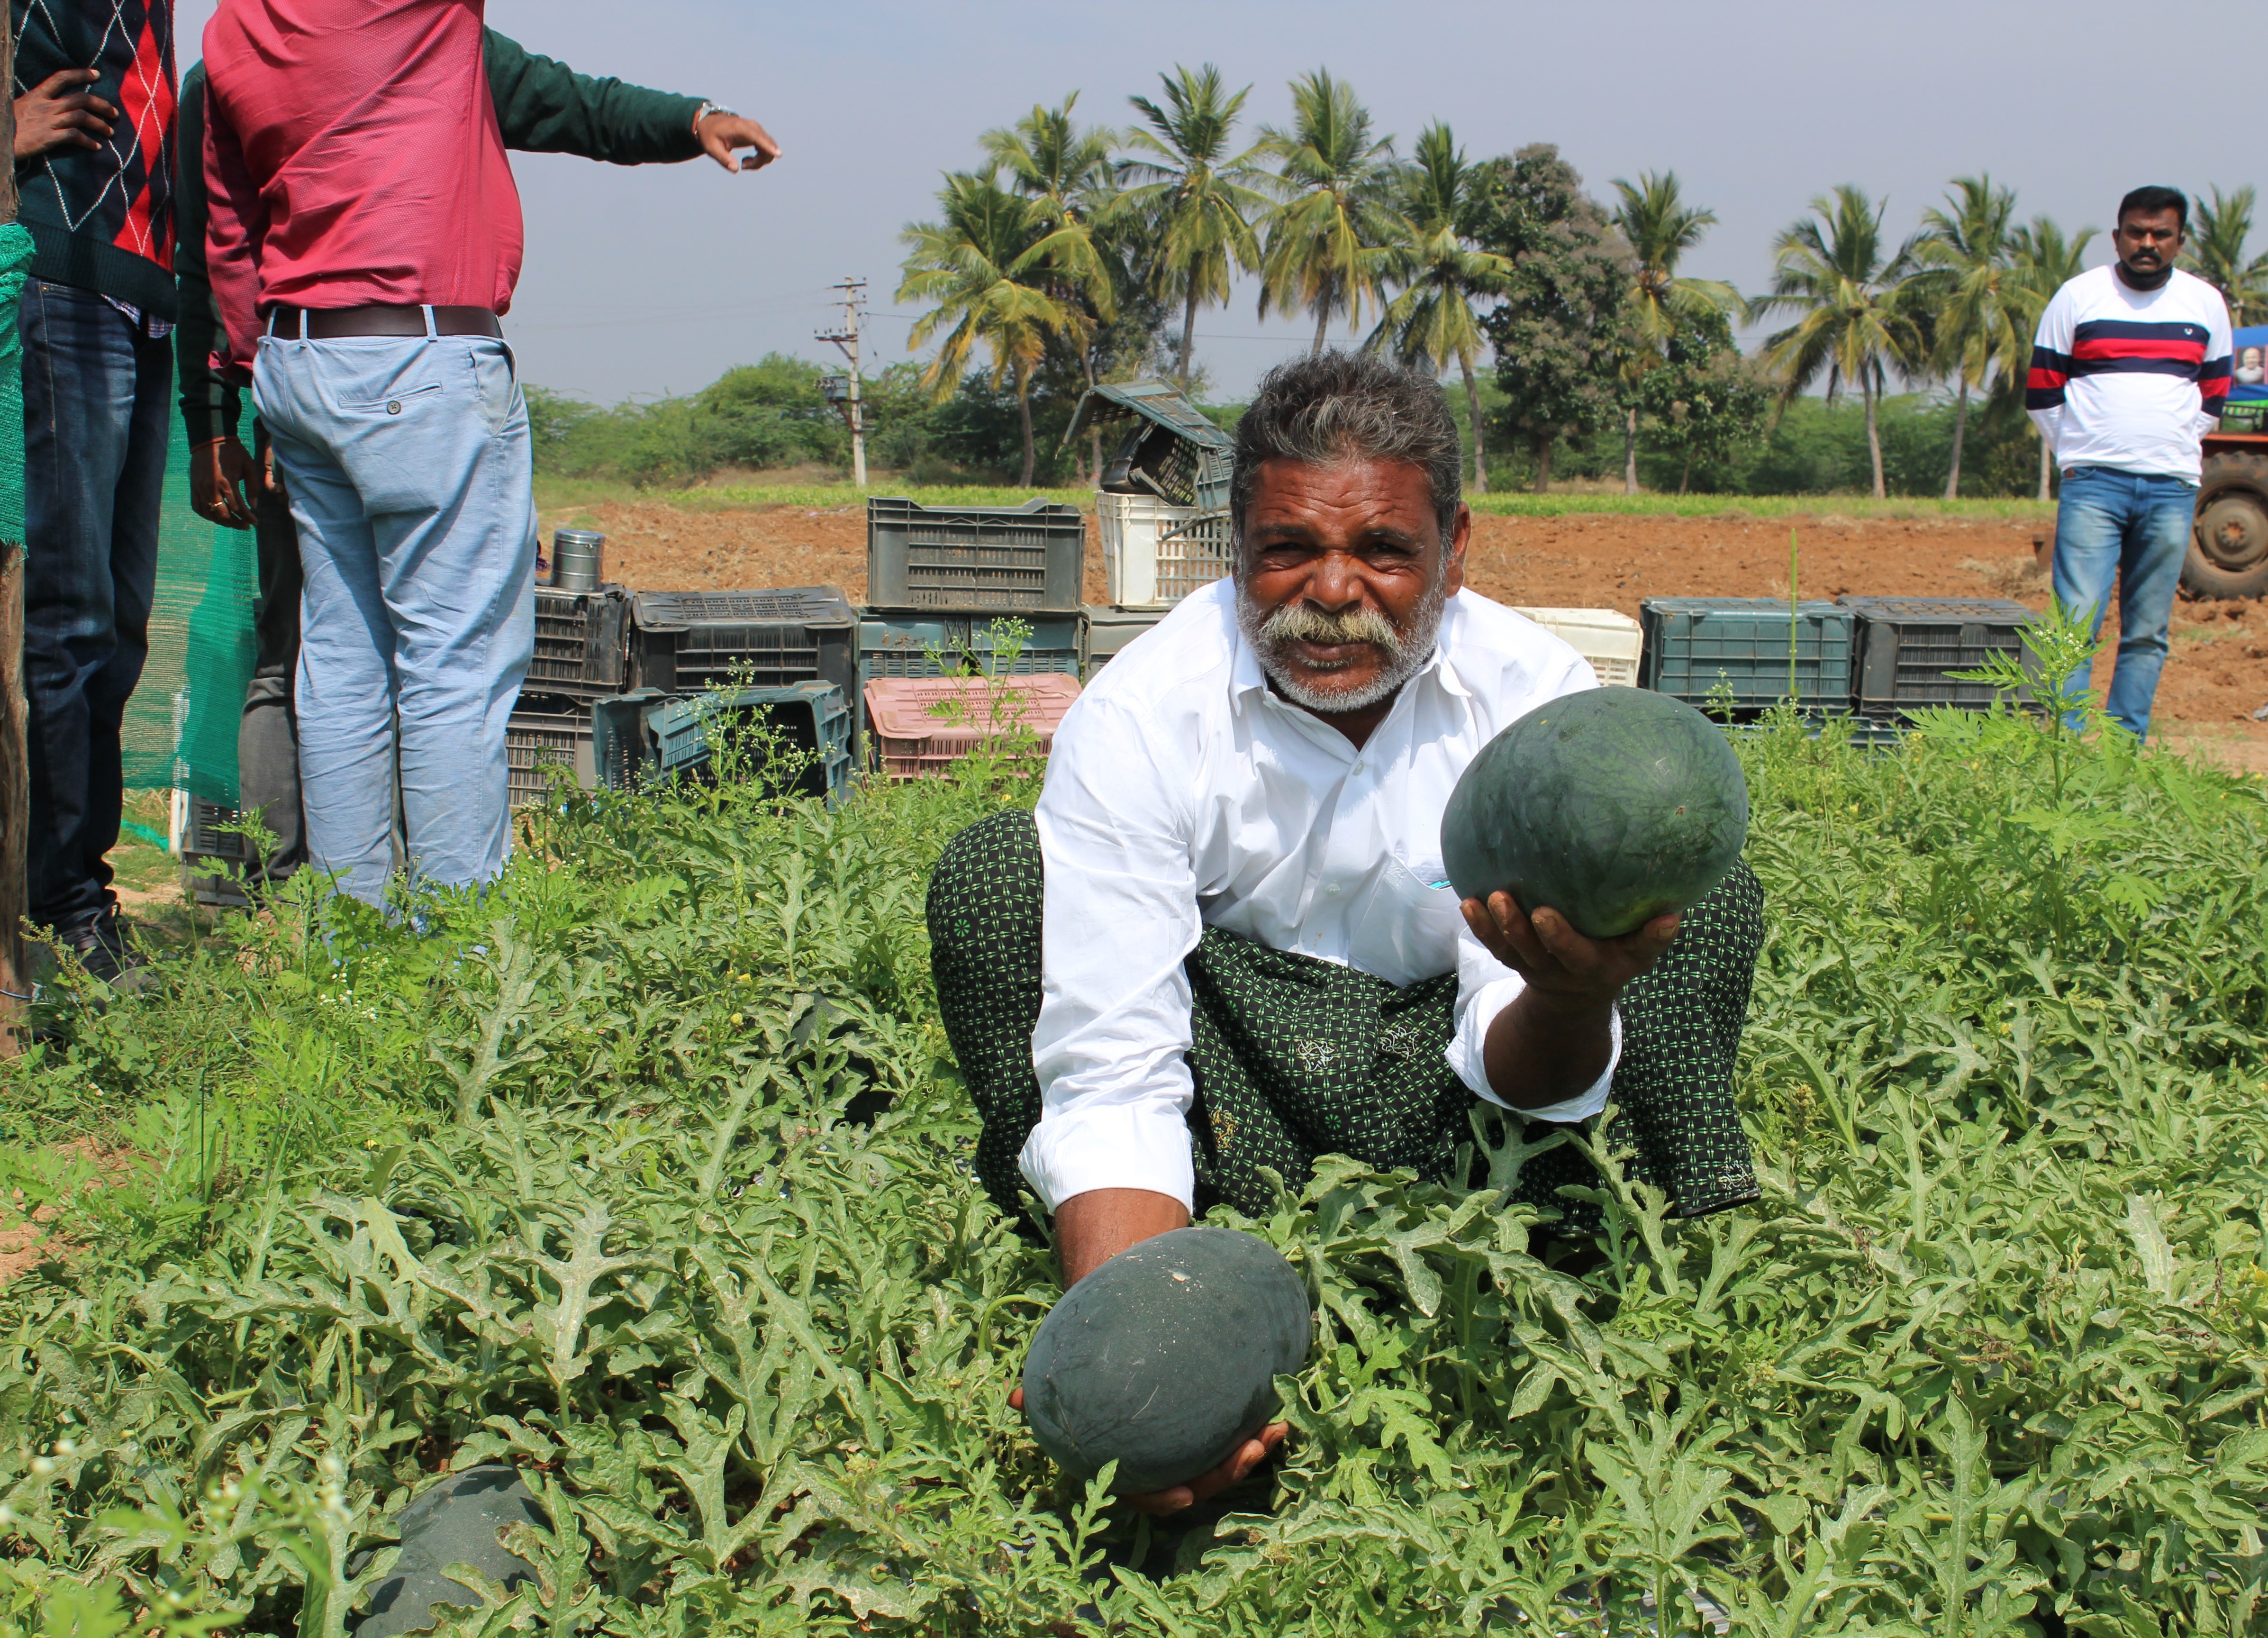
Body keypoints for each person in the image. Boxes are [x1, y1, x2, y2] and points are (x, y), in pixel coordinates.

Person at [926, 351, 1764, 1515]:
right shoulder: (1142, 711)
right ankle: (1179, 1285)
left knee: (1691, 878)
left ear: (1453, 547)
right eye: (1286, 550)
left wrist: (1570, 996)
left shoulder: (1538, 703)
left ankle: (1659, 1261)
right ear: (1236, 548)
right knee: (998, 875)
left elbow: (1508, 1058)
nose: (1330, 590)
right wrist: (1147, 1372)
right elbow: (1115, 1068)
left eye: (1381, 549)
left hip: (1470, 1115)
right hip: (1237, 1104)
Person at [175, 35, 780, 891]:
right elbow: (565, 99)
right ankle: (455, 950)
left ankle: (353, 948)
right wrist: (690, 121)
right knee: (450, 669)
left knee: (340, 665)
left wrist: (245, 387)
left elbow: (226, 242)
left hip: (298, 365)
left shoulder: (236, 35)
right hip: (417, 362)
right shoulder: (429, 27)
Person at [11, 0, 177, 986]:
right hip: (55, 283)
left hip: (145, 303)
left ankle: (82, 897)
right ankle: (54, 921)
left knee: (116, 630)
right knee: (66, 623)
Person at [2026, 184, 2232, 738]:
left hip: (2171, 488)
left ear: (2179, 241)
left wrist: (2170, 445)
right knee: (2074, 627)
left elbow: (2213, 394)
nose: (2147, 244)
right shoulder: (2078, 296)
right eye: (2136, 233)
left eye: (2160, 234)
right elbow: (2044, 391)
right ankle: (2065, 748)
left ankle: (2124, 749)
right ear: (2116, 237)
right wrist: (2078, 452)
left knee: (2147, 632)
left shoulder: (2205, 303)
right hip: (2094, 485)